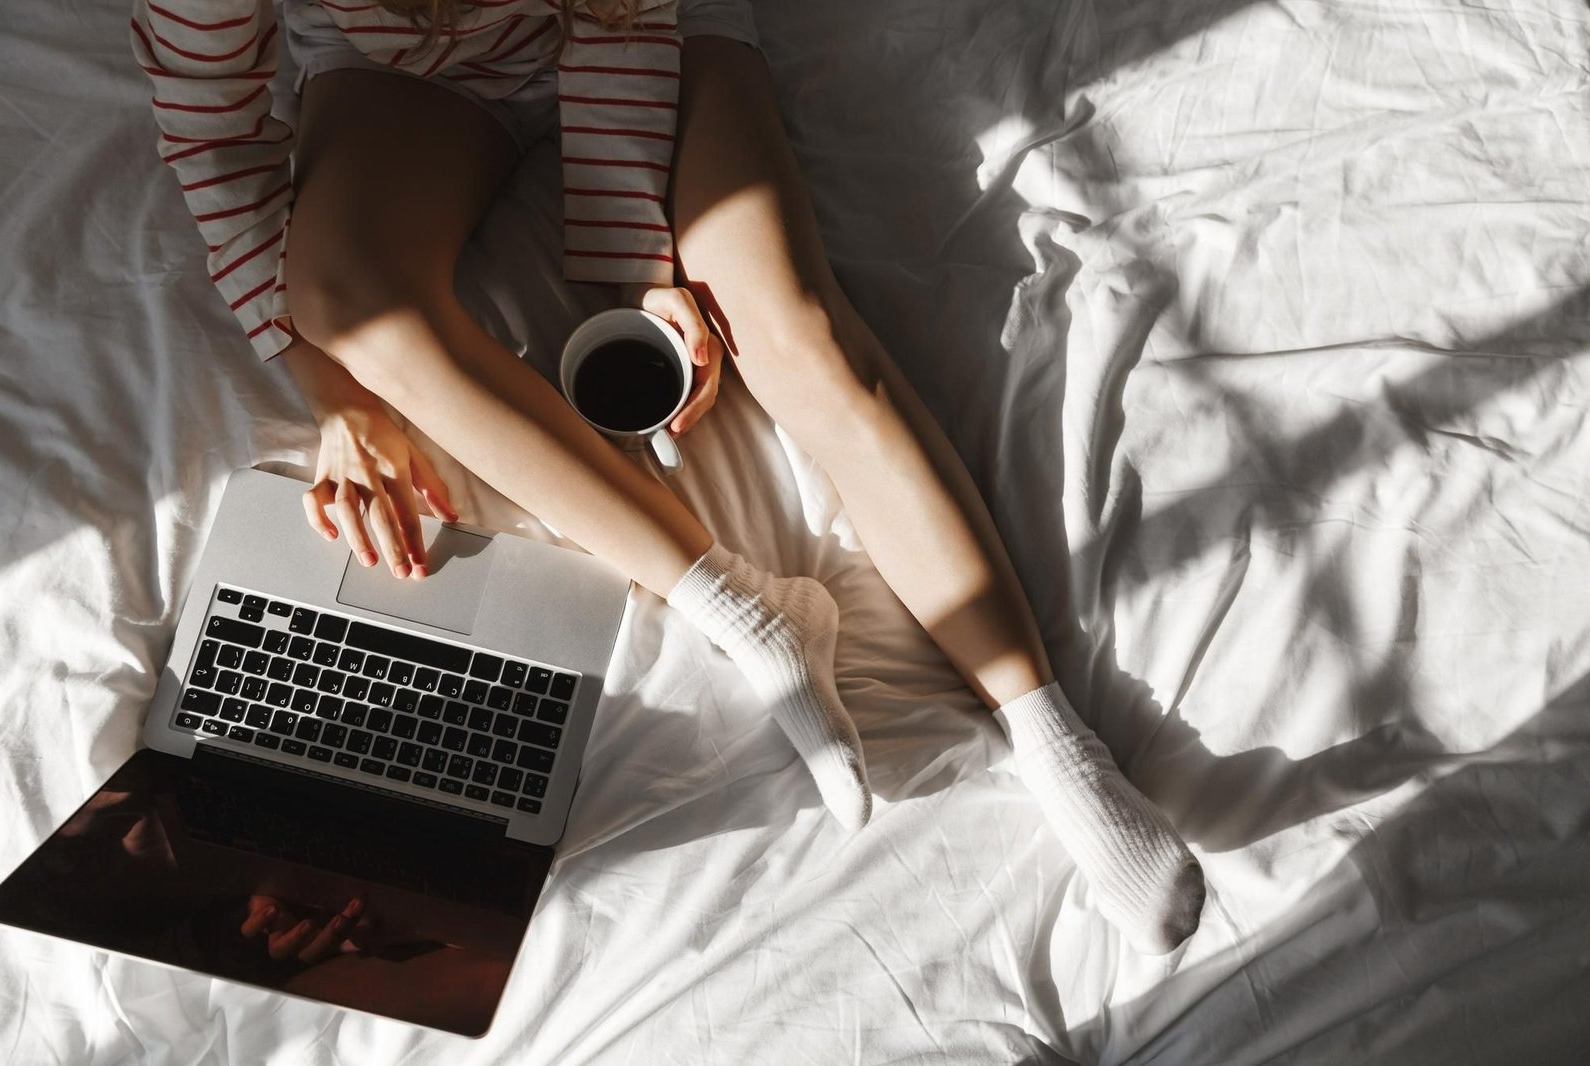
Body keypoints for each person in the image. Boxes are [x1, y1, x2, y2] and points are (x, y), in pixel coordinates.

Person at [131, 0, 1204, 954]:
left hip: (645, 21)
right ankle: (751, 615)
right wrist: (341, 401)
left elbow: (620, 24)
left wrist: (640, 259)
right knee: (343, 299)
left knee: (785, 323)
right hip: (420, 76)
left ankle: (1058, 746)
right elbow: (214, 127)